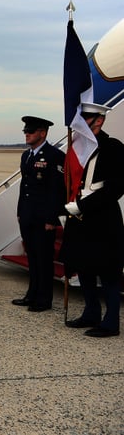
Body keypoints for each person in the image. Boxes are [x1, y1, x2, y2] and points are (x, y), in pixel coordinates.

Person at [60, 103, 124, 337]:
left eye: (86, 118)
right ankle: (91, 312)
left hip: (103, 218)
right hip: (79, 218)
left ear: (100, 120)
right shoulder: (77, 146)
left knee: (108, 272)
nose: (80, 123)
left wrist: (83, 205)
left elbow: (116, 188)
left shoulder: (113, 147)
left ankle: (111, 322)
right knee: (83, 267)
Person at [12, 116, 66, 312]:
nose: (27, 133)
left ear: (43, 133)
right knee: (32, 257)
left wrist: (52, 219)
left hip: (44, 218)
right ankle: (31, 294)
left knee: (44, 259)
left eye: (31, 131)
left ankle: (44, 300)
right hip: (27, 215)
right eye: (26, 131)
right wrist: (20, 211)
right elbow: (24, 187)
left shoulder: (54, 155)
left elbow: (56, 190)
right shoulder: (26, 156)